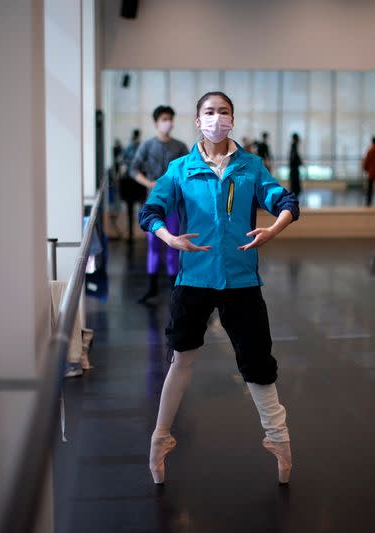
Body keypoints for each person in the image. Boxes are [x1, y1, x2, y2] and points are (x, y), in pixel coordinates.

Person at [139, 91, 300, 485]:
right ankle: (160, 438)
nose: (216, 118)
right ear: (197, 120)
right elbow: (150, 211)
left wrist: (273, 229)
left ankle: (279, 439)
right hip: (193, 280)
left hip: (242, 280)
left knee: (258, 363)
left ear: (233, 117)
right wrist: (170, 239)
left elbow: (286, 201)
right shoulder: (180, 169)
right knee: (182, 358)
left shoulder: (251, 166)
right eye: (209, 112)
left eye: (223, 111)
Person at [130, 106, 189, 303]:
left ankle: (175, 289)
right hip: (153, 203)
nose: (168, 122)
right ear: (156, 122)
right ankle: (152, 287)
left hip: (173, 204)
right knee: (154, 245)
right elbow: (133, 169)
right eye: (164, 118)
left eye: (170, 118)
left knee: (173, 244)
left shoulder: (180, 147)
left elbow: (188, 172)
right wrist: (149, 183)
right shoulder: (146, 146)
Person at [120, 129, 143, 241]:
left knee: (130, 209)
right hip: (139, 180)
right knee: (144, 208)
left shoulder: (128, 147)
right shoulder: (140, 147)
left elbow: (123, 163)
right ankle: (147, 233)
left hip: (128, 181)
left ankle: (130, 235)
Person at [288, 132, 303, 197]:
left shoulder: (294, 146)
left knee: (294, 183)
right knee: (295, 184)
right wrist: (299, 162)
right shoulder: (294, 146)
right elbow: (294, 157)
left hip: (293, 168)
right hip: (294, 168)